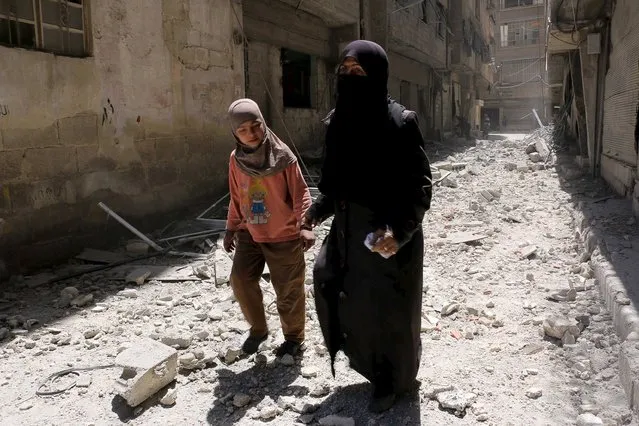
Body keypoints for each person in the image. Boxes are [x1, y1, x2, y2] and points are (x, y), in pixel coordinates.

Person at [302, 40, 433, 413]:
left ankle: (390, 382)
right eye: (344, 70)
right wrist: (315, 212)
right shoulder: (338, 120)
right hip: (346, 230)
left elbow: (420, 186)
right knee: (336, 286)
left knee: (386, 311)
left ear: (377, 73)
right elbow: (337, 183)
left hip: (385, 235)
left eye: (357, 70)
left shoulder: (399, 122)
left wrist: (399, 231)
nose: (349, 75)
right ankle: (361, 361)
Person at [224, 98, 315, 358]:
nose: (251, 134)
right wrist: (231, 227)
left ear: (264, 124)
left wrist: (305, 225)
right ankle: (259, 329)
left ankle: (294, 338)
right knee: (240, 280)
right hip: (250, 233)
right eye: (243, 130)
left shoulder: (283, 156)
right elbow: (236, 195)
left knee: (288, 291)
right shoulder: (235, 159)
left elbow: (301, 193)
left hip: (284, 235)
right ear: (235, 133)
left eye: (256, 126)